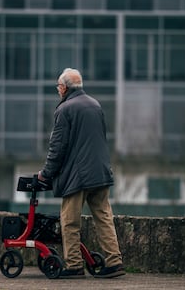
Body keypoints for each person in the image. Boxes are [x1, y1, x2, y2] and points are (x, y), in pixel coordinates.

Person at [38, 68, 125, 279]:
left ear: (65, 88)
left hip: (78, 176)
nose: (58, 90)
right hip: (100, 172)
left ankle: (74, 265)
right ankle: (114, 262)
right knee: (104, 217)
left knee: (69, 221)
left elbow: (57, 147)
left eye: (59, 87)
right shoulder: (95, 105)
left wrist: (46, 173)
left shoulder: (65, 109)